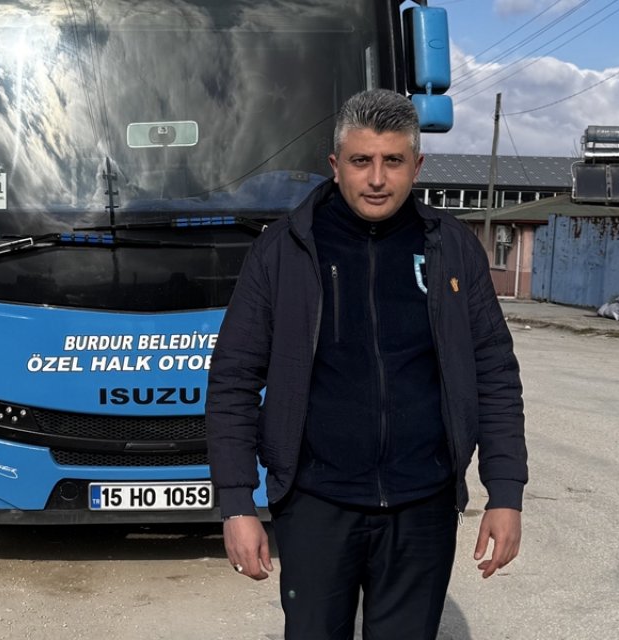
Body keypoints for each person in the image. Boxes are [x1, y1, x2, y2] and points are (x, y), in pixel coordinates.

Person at [206, 88, 528, 640]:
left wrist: (505, 491)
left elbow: (495, 374)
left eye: (393, 161)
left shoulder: (453, 249)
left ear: (417, 166)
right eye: (361, 161)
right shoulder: (284, 250)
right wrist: (237, 502)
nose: (377, 179)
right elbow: (234, 379)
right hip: (315, 504)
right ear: (335, 166)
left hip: (422, 504)